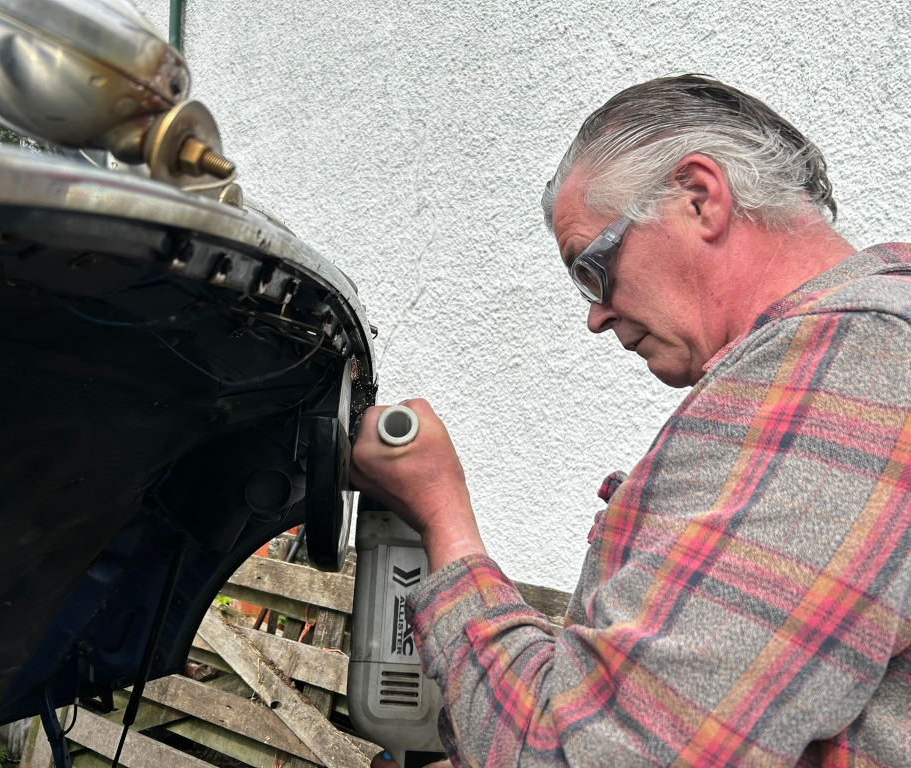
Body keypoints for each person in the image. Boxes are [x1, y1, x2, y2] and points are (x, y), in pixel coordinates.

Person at [350, 74, 911, 767]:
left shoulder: (853, 362)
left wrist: (441, 515)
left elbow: (590, 756)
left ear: (699, 197)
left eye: (591, 270)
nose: (594, 317)